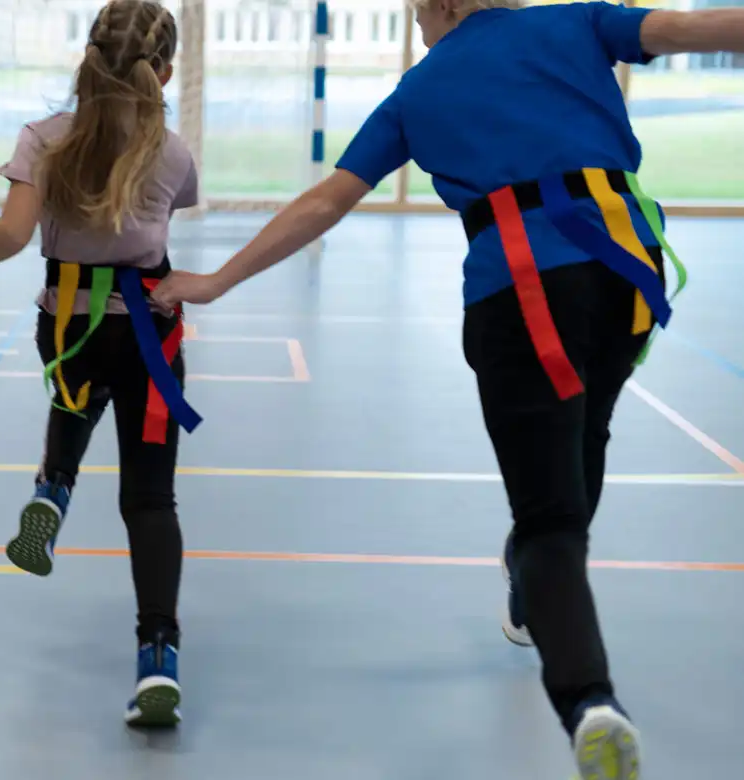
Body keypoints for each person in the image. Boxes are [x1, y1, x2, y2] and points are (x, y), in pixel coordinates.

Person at [153, 1, 744, 777]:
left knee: (548, 521)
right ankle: (532, 589)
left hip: (525, 287)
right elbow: (687, 29)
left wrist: (219, 280)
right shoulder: (578, 23)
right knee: (585, 432)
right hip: (626, 267)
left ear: (436, 7)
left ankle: (588, 700)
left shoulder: (420, 89)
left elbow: (329, 199)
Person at [0, 0, 199, 728]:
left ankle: (52, 491)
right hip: (149, 331)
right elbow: (164, 218)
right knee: (150, 500)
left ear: (84, 60)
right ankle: (158, 657)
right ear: (166, 73)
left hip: (67, 324)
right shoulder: (171, 153)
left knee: (72, 397)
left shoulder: (43, 140)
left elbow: (13, 232)